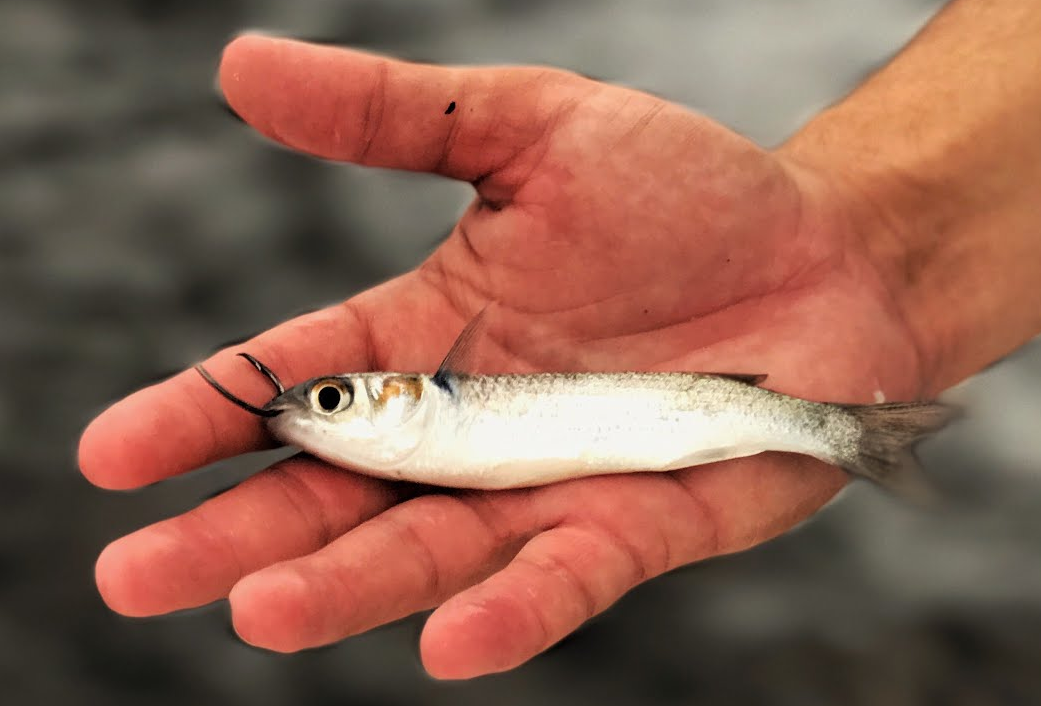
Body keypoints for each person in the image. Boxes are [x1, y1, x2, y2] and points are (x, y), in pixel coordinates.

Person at [78, 0, 1041, 680]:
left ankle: (852, 434)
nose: (305, 410)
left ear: (403, 397)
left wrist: (873, 243)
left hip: (727, 410)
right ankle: (853, 430)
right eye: (318, 402)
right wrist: (879, 239)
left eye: (329, 398)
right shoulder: (426, 421)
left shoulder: (440, 413)